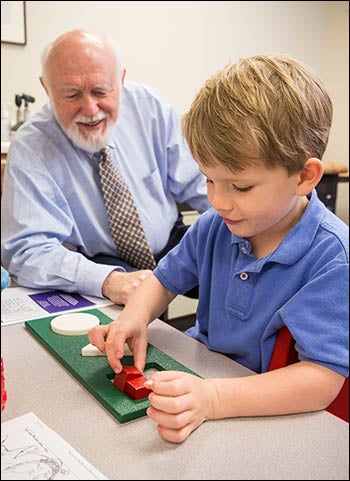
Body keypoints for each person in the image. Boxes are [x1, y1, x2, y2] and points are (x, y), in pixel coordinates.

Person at [88, 54, 349, 443]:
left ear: (304, 177)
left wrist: (212, 398)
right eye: (209, 180)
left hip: (262, 415)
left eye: (240, 186)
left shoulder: (332, 258)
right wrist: (136, 317)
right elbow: (163, 280)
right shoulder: (216, 225)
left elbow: (321, 379)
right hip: (202, 381)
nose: (219, 201)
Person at [1, 29, 210, 306]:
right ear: (46, 88)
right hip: (99, 263)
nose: (89, 109)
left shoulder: (150, 108)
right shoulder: (32, 147)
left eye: (101, 91)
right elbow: (27, 251)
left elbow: (204, 184)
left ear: (121, 79)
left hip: (171, 243)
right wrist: (107, 280)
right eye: (71, 94)